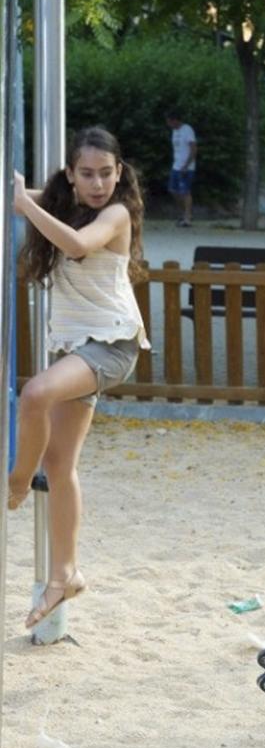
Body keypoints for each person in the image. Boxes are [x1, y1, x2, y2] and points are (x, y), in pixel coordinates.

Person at [9, 126, 149, 629]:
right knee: (62, 461)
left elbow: (74, 245)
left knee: (35, 393)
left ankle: (17, 484)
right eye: (86, 174)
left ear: (119, 172)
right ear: (70, 175)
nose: (97, 183)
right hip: (74, 345)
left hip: (111, 343)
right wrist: (21, 195)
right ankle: (64, 574)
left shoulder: (115, 214)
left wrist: (27, 205)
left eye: (107, 173)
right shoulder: (60, 202)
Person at [165, 113, 196, 226]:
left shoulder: (187, 130)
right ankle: (183, 213)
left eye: (169, 122)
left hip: (186, 167)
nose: (168, 124)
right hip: (176, 166)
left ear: (175, 120)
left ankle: (188, 217)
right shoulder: (175, 131)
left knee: (185, 192)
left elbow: (193, 149)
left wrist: (187, 165)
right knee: (173, 190)